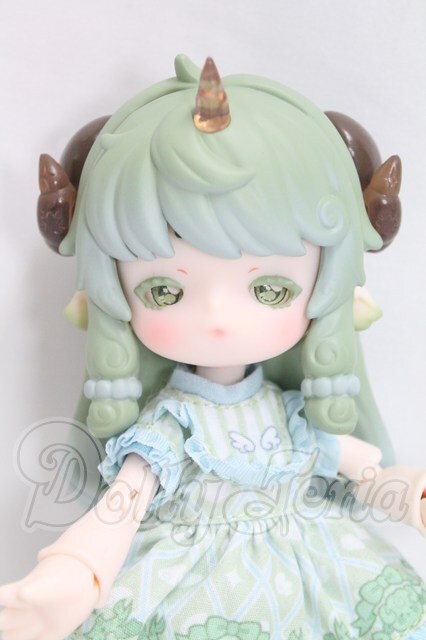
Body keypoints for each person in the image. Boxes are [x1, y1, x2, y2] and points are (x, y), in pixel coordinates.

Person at [0, 55, 425, 640]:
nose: (219, 318)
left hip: (316, 572)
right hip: (193, 589)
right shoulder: (170, 426)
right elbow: (119, 510)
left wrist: (412, 495)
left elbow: (367, 474)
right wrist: (74, 572)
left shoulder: (293, 416)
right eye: (164, 291)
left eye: (269, 288)